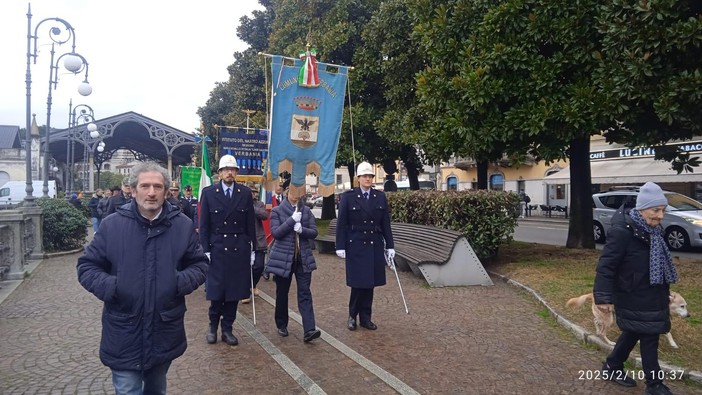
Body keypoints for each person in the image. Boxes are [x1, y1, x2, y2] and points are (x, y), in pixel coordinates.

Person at [76, 161, 208, 395]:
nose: (151, 192)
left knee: (156, 388)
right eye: (145, 185)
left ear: (166, 192)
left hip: (164, 327)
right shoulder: (112, 226)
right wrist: (114, 286)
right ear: (133, 190)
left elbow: (199, 264)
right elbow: (87, 266)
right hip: (124, 326)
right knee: (128, 389)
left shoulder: (182, 226)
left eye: (157, 187)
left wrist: (177, 282)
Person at [594, 181, 678, 395]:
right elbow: (606, 266)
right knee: (650, 336)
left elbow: (657, 266)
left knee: (633, 331)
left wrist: (665, 292)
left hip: (652, 292)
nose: (660, 216)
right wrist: (602, 297)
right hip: (631, 293)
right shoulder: (623, 231)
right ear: (642, 209)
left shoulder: (654, 231)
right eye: (656, 210)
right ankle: (654, 384)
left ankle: (612, 366)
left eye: (663, 210)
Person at [199, 154, 256, 346]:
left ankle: (227, 329)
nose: (230, 173)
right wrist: (205, 249)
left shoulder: (245, 193)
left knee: (233, 293)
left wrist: (253, 249)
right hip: (217, 249)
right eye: (226, 170)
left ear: (236, 172)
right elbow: (204, 225)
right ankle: (212, 326)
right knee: (216, 293)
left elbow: (250, 225)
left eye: (233, 170)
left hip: (238, 249)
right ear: (220, 173)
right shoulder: (208, 193)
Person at [336, 161, 395, 331]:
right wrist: (340, 245)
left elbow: (385, 223)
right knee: (358, 283)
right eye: (365, 176)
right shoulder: (348, 197)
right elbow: (342, 224)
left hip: (374, 244)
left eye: (370, 176)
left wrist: (390, 245)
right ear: (359, 178)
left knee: (370, 283)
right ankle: (352, 315)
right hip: (356, 245)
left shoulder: (379, 196)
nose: (368, 179)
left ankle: (366, 317)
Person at [265, 189, 321, 342]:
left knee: (305, 293)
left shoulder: (307, 211)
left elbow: (314, 232)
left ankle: (309, 329)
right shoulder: (277, 211)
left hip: (302, 258)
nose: (297, 194)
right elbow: (276, 232)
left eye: (300, 191)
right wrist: (291, 221)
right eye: (294, 190)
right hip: (284, 258)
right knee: (282, 292)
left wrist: (302, 230)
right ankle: (281, 323)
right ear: (288, 191)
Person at [241, 183, 269, 304]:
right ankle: (245, 291)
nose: (252, 194)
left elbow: (264, 215)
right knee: (244, 268)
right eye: (250, 192)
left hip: (258, 241)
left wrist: (251, 207)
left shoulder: (259, 204)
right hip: (244, 240)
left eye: (253, 192)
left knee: (259, 266)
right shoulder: (239, 203)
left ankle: (253, 285)